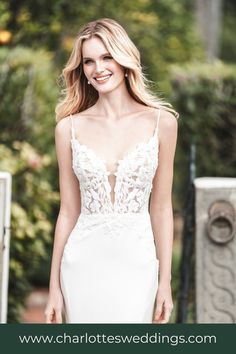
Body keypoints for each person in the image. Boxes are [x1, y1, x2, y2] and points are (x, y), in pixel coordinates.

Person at [44, 18, 179, 324]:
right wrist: (54, 286)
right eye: (89, 61)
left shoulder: (163, 123)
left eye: (106, 57)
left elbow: (161, 208)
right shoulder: (69, 129)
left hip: (138, 263)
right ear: (82, 71)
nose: (98, 68)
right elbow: (68, 211)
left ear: (124, 59)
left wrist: (165, 281)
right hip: (82, 265)